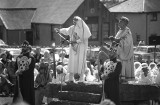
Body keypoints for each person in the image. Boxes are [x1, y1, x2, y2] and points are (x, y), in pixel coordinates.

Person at [55, 16, 91, 82]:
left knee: (81, 62)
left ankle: (81, 78)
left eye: (75, 21)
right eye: (73, 21)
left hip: (81, 49)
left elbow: (84, 38)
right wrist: (59, 30)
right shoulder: (72, 28)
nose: (74, 22)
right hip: (73, 49)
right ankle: (71, 78)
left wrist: (75, 41)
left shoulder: (83, 29)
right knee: (72, 62)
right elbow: (66, 30)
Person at [13, 40, 35, 105]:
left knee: (27, 95)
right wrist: (16, 72)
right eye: (22, 47)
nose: (23, 48)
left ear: (28, 48)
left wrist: (22, 73)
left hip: (28, 80)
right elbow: (15, 67)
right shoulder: (18, 57)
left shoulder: (31, 58)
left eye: (25, 47)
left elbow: (31, 70)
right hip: (19, 79)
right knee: (18, 94)